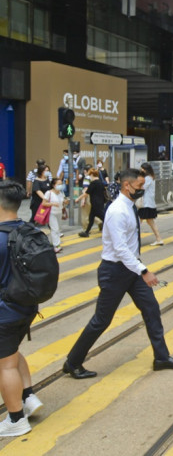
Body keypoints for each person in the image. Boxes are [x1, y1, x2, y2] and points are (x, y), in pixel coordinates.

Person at [63, 169, 173, 379]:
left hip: (131, 269)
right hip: (114, 271)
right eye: (139, 187)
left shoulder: (130, 206)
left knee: (151, 308)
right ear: (127, 186)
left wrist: (139, 268)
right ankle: (73, 362)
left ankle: (161, 357)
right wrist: (144, 271)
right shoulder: (117, 211)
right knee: (101, 320)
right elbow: (120, 249)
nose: (141, 190)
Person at [0, 181, 44, 436]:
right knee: (12, 353)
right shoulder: (28, 230)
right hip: (26, 307)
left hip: (4, 311)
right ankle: (28, 397)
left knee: (4, 365)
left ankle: (16, 419)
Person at [77, 167, 108, 238]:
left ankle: (113, 229)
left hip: (95, 203)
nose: (89, 177)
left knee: (104, 218)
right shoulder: (101, 183)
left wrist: (78, 198)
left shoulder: (93, 183)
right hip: (99, 202)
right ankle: (86, 232)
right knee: (91, 218)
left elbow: (86, 193)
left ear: (92, 175)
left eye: (89, 175)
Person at [138, 163, 163, 246]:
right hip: (148, 203)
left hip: (146, 204)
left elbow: (142, 187)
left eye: (142, 169)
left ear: (146, 170)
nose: (141, 170)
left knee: (138, 221)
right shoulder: (150, 178)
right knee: (149, 221)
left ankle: (132, 240)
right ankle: (159, 239)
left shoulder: (148, 178)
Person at [43, 178, 67, 253]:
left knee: (58, 229)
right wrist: (52, 204)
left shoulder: (61, 193)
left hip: (59, 212)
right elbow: (44, 203)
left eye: (61, 184)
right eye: (58, 184)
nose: (60, 186)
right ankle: (56, 246)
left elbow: (63, 202)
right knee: (55, 229)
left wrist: (65, 203)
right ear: (53, 185)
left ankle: (55, 243)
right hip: (51, 213)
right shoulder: (48, 193)